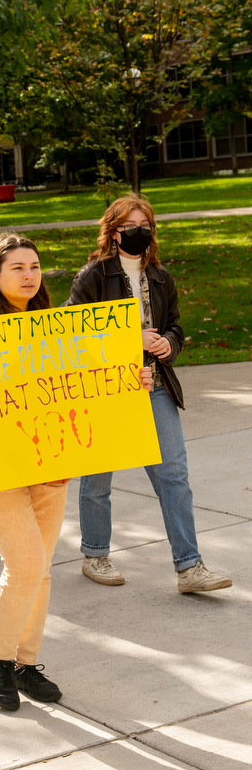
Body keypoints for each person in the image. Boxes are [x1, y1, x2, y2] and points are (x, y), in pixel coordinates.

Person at [0, 232, 149, 711]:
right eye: (17, 268)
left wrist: (133, 378)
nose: (29, 275)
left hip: (49, 465)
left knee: (40, 571)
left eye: (34, 266)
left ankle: (25, 664)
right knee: (24, 566)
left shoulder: (57, 328)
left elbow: (91, 385)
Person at [69, 195, 231, 593]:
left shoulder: (161, 276)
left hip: (154, 385)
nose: (138, 232)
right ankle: (95, 554)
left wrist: (168, 346)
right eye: (130, 226)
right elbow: (73, 335)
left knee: (174, 476)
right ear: (113, 231)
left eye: (145, 225)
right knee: (97, 479)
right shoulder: (92, 276)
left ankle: (189, 567)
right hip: (107, 391)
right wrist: (129, 339)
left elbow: (174, 326)